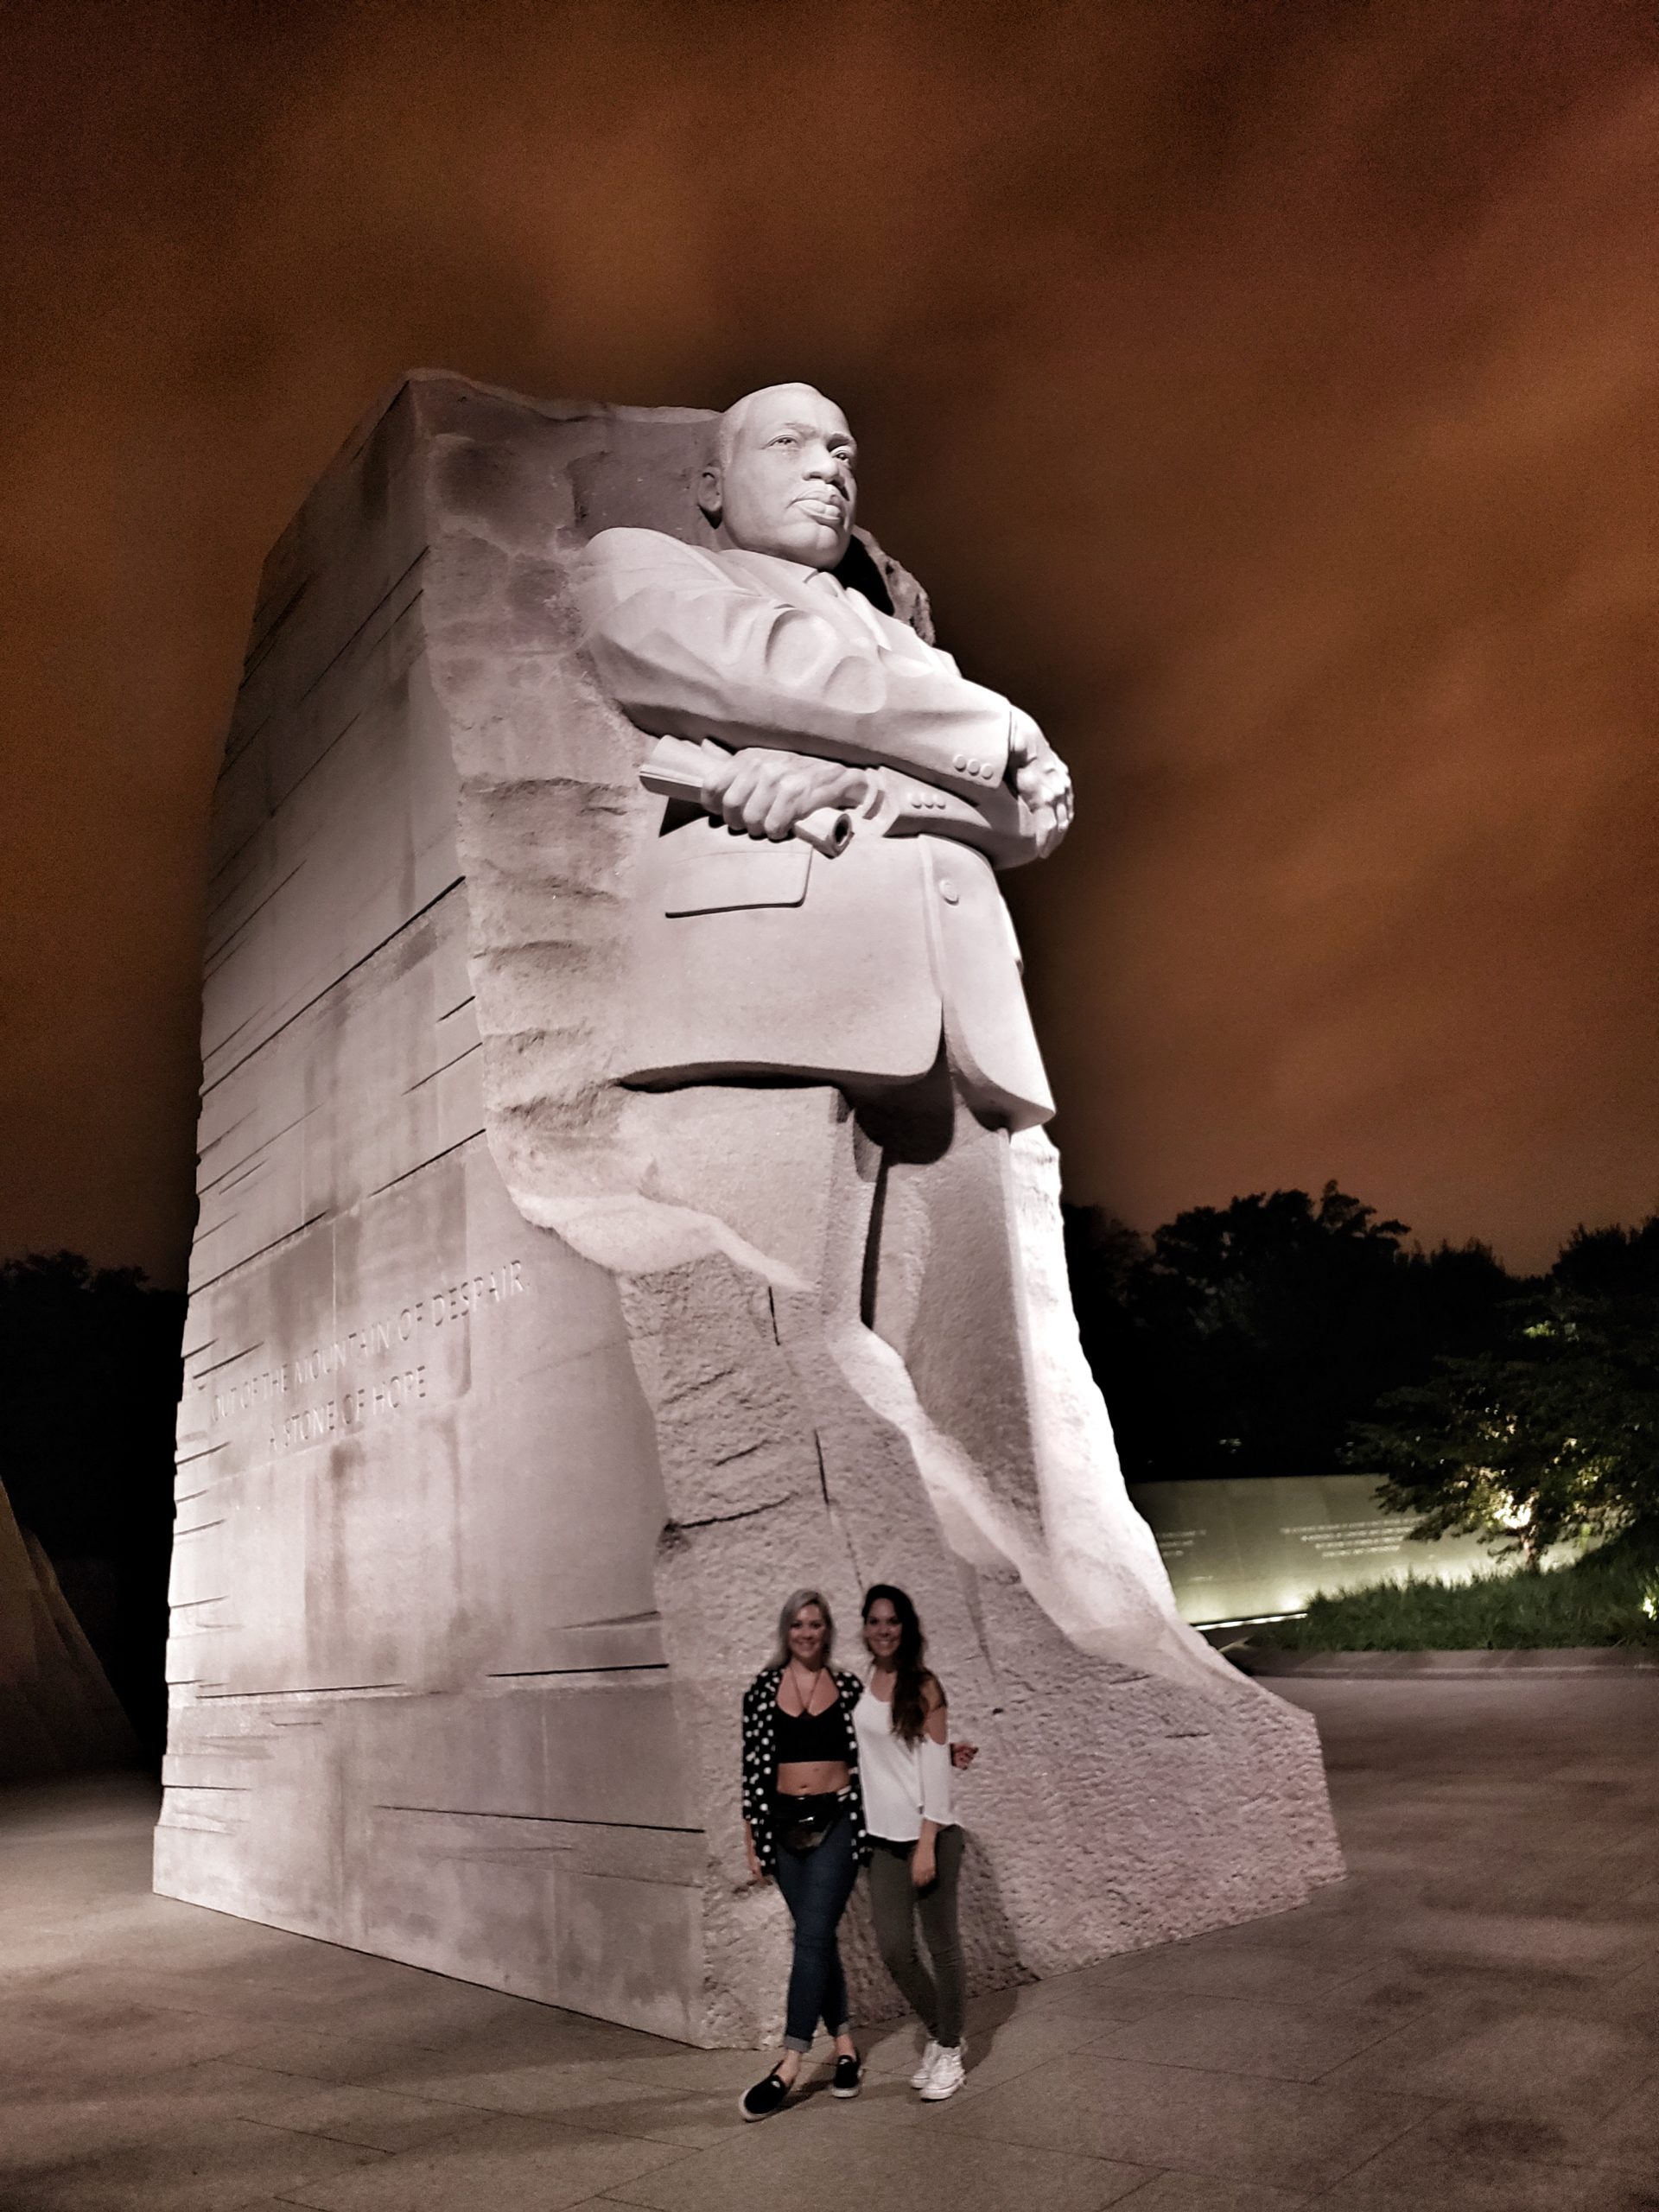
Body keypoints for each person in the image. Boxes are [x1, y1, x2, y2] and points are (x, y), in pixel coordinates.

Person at [737, 1587, 870, 2120]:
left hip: (838, 1821)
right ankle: (846, 2049)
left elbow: (883, 1750)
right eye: (798, 1625)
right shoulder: (762, 1690)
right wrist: (752, 1839)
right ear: (786, 1631)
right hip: (782, 1826)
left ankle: (789, 2064)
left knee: (812, 1937)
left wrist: (943, 1752)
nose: (807, 1633)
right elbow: (752, 1769)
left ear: (827, 1630)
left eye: (815, 1624)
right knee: (818, 1938)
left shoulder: (850, 1688)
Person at [854, 1583, 971, 2100]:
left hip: (930, 1836)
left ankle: (948, 2052)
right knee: (895, 1950)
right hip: (883, 1839)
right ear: (865, 1628)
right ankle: (946, 2034)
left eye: (893, 1621)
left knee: (943, 1947)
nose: (884, 1630)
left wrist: (927, 1842)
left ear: (907, 1627)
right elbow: (879, 1757)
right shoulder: (863, 1683)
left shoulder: (924, 1685)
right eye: (875, 1621)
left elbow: (933, 1771)